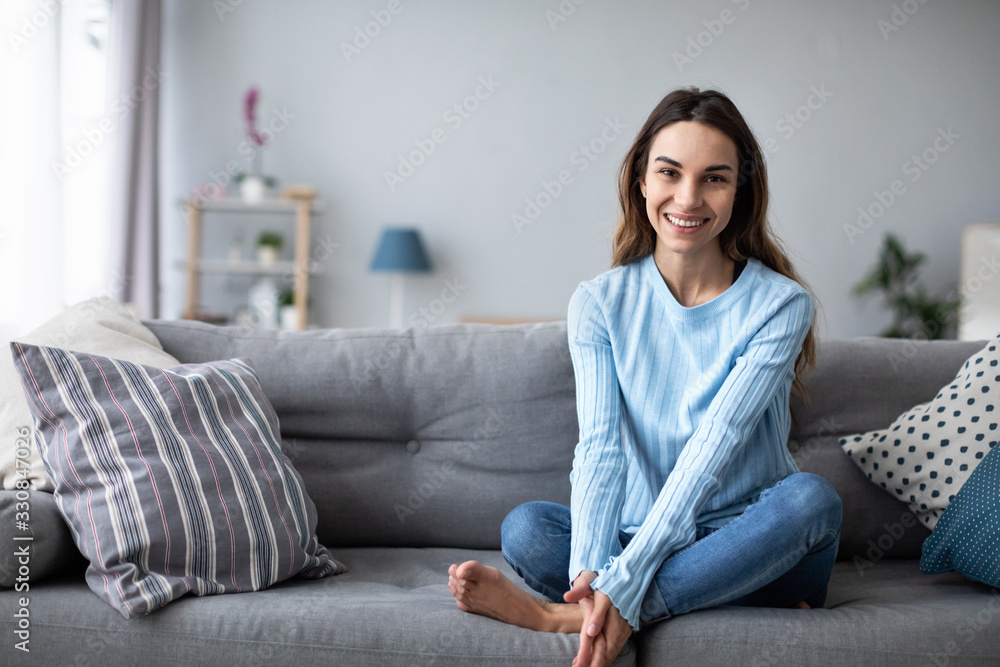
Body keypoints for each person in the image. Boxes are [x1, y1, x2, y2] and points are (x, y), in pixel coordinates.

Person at [447, 88, 843, 667]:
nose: (688, 197)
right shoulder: (599, 303)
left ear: (740, 192)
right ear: (641, 180)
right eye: (670, 172)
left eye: (714, 178)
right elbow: (601, 449)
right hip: (639, 542)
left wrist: (625, 585)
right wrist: (592, 568)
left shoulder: (780, 305)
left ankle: (568, 616)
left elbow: (715, 444)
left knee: (812, 500)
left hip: (751, 542)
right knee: (526, 528)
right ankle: (646, 600)